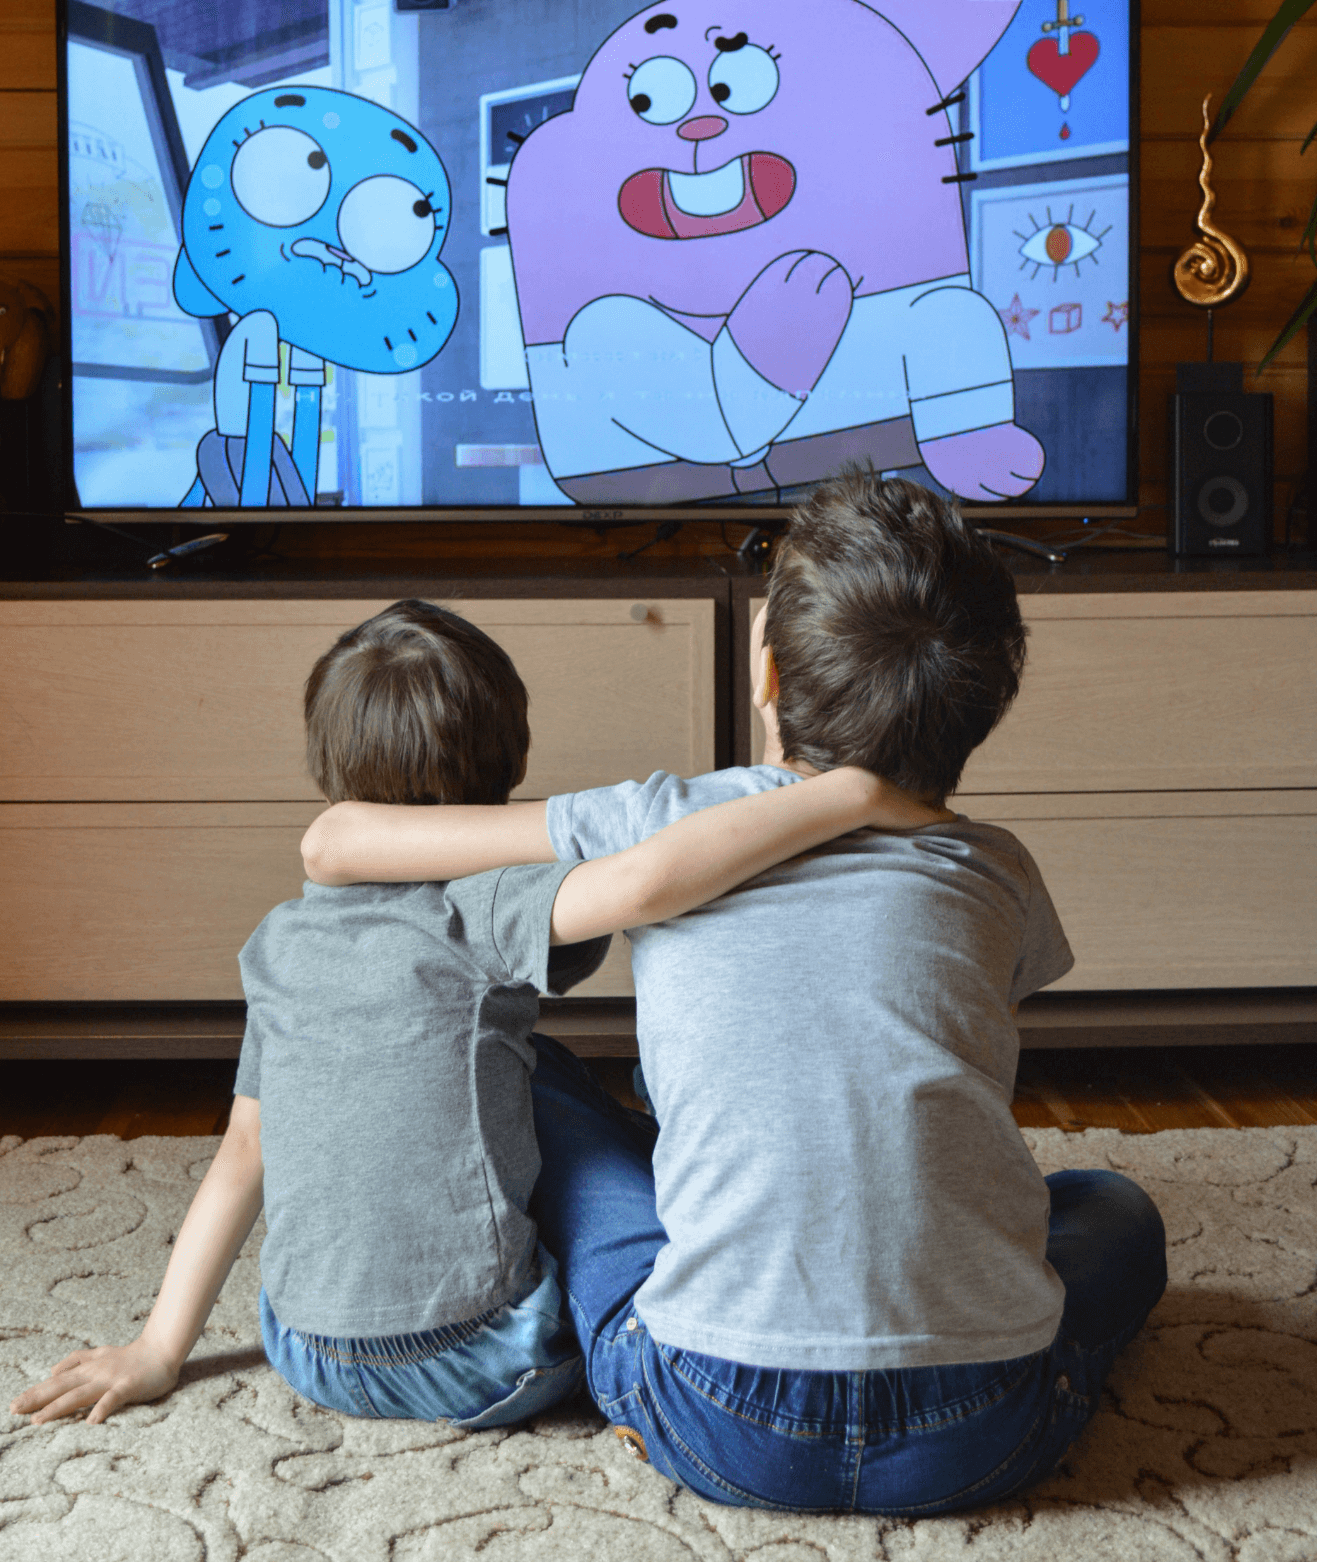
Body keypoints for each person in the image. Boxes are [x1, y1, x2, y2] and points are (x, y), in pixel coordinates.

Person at [298, 476, 1168, 1514]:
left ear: (764, 670)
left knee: (546, 1082)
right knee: (1112, 1208)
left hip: (715, 1414)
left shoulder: (659, 817)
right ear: (982, 708)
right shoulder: (996, 868)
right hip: (976, 1428)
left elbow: (339, 840)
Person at [10, 596, 936, 1434]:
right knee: (561, 1098)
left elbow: (242, 1155)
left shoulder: (279, 940)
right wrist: (843, 795)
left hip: (305, 1347)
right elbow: (650, 883)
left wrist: (158, 1350)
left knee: (522, 1069)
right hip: (482, 1358)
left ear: (324, 763)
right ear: (511, 760)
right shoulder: (491, 906)